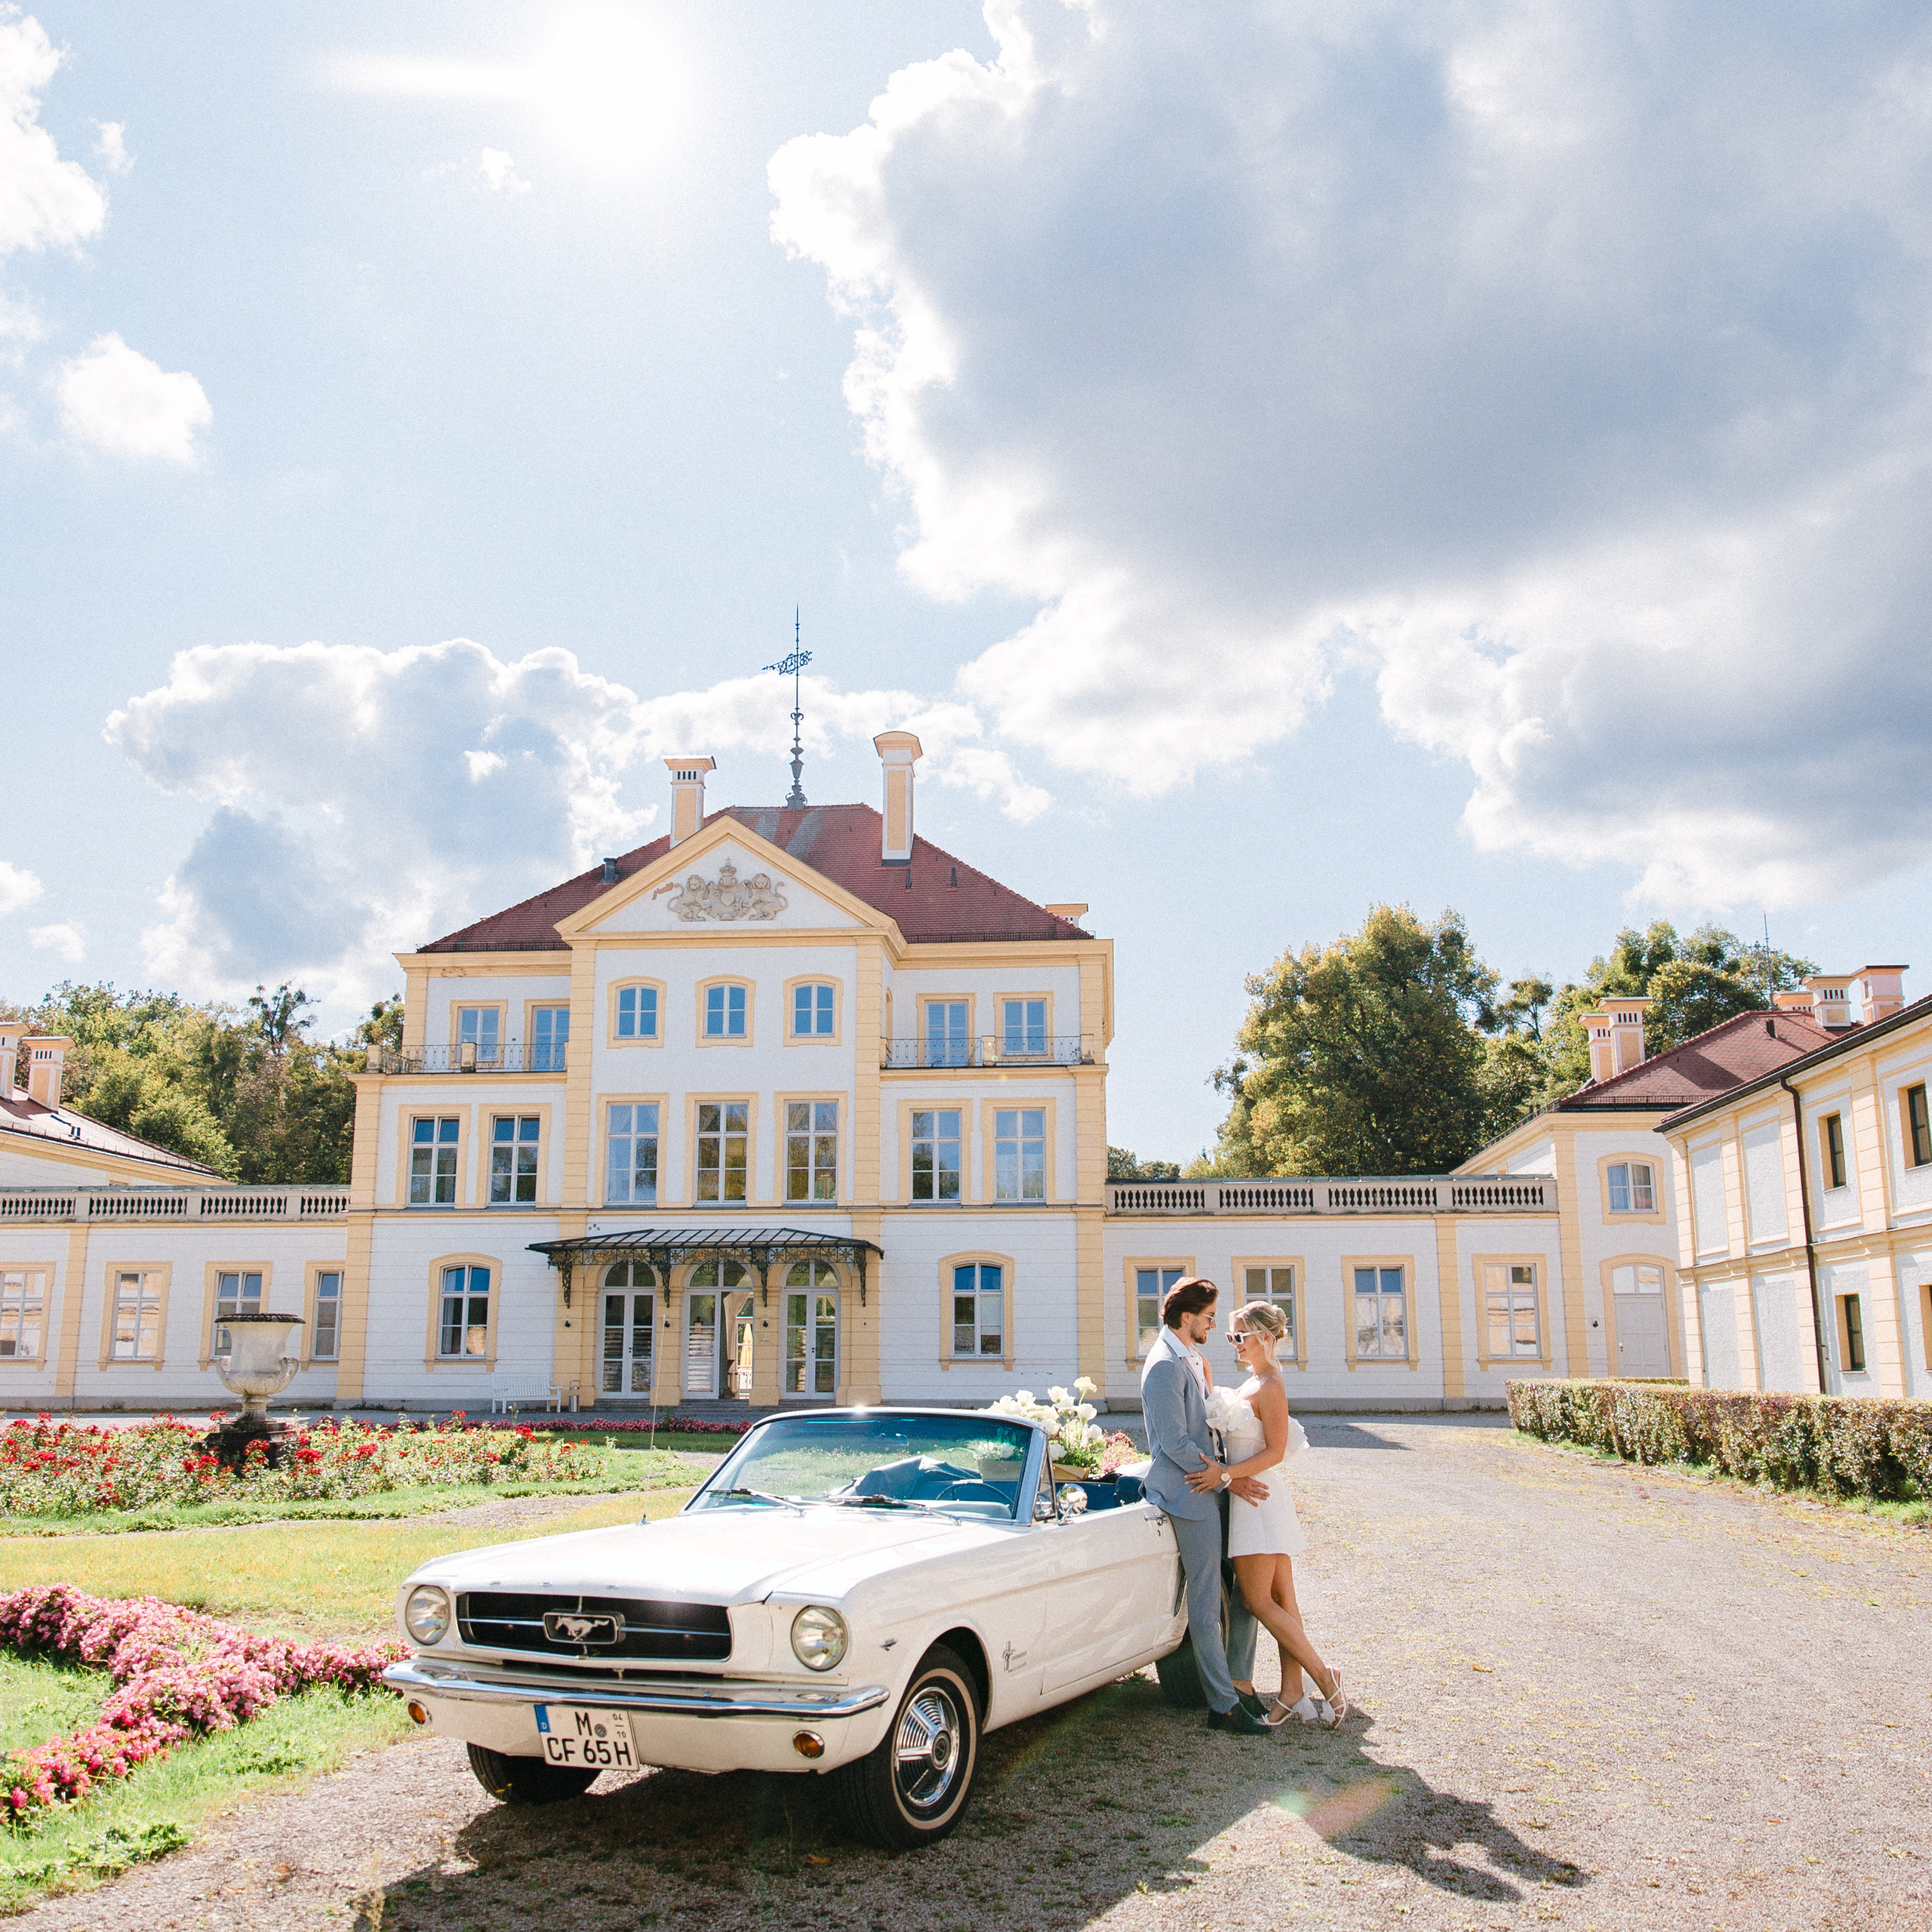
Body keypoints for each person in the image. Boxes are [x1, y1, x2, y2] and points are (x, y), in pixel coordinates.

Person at [1188, 1300, 1348, 1729]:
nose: (1234, 1344)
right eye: (1230, 1336)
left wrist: (1225, 1475)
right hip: (1252, 1497)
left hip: (1258, 1499)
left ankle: (1324, 1678)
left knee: (1256, 1600)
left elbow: (1275, 1451)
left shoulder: (1272, 1384)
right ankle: (1293, 1690)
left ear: (1263, 1337)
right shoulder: (1253, 1381)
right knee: (1282, 1601)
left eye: (1239, 1336)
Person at [1139, 1277, 1268, 1734]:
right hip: (1188, 1491)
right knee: (1207, 1598)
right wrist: (1225, 1476)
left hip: (1211, 1483)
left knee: (1250, 1585)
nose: (1214, 1325)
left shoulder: (1189, 1355)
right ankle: (1223, 1705)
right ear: (1187, 1317)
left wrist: (1229, 1472)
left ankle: (1240, 1684)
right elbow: (1174, 1442)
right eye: (1210, 1318)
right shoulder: (1163, 1366)